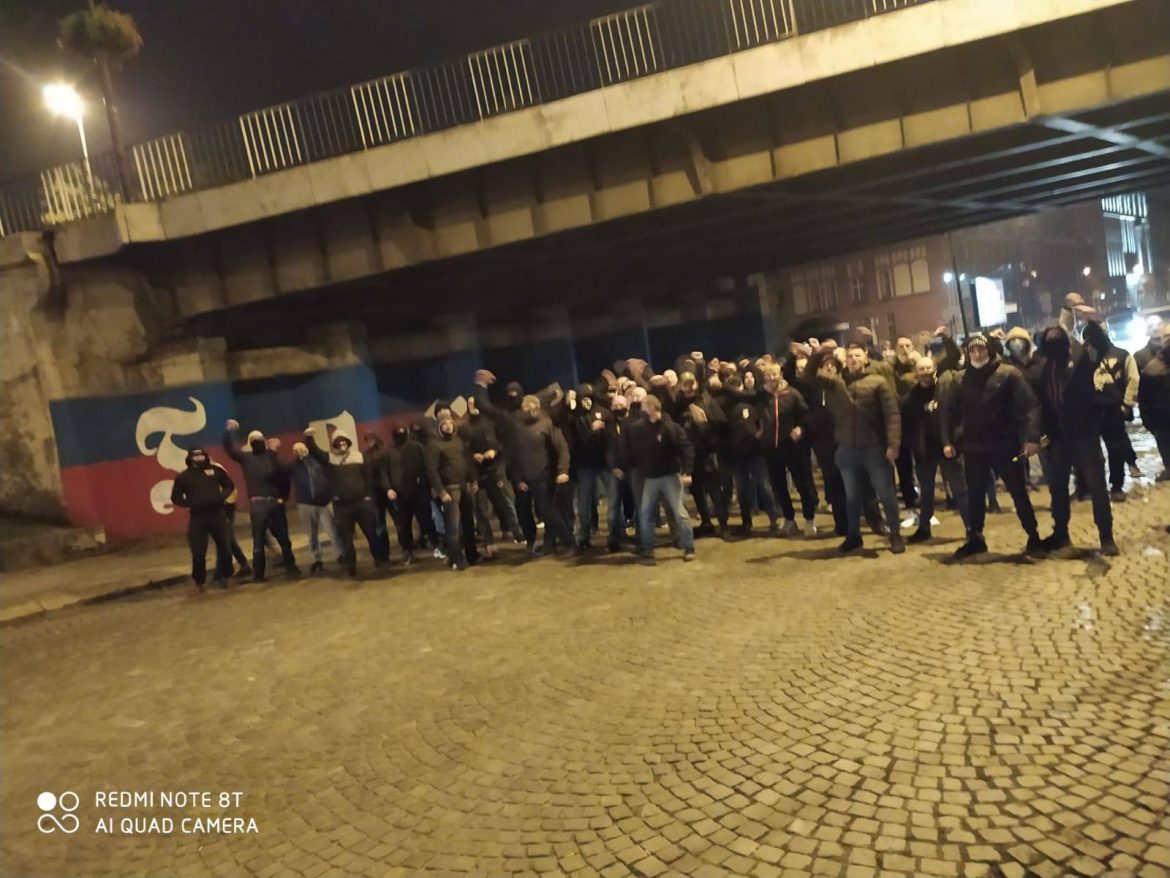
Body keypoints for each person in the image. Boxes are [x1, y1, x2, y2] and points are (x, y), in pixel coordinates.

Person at [940, 334, 1044, 560]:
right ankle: (976, 538)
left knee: (1018, 493)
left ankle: (1033, 536)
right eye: (973, 350)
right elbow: (947, 412)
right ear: (968, 353)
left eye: (981, 349)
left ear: (988, 350)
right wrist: (947, 441)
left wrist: (1032, 437)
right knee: (975, 495)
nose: (977, 354)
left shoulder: (1008, 374)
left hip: (1005, 445)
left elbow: (1031, 405)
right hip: (974, 447)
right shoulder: (960, 379)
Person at [1034, 323, 1117, 556]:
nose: (1053, 342)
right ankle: (1061, 533)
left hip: (1084, 435)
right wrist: (1042, 434)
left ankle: (1106, 536)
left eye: (1056, 338)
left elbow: (1100, 348)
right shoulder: (1044, 370)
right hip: (1058, 438)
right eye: (1048, 338)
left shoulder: (1082, 364)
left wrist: (1090, 325)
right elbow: (1041, 404)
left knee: (1096, 486)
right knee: (1058, 489)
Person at [821, 344, 904, 555]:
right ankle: (853, 536)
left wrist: (893, 444)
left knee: (886, 493)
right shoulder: (838, 384)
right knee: (852, 496)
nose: (854, 359)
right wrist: (823, 354)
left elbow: (892, 415)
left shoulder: (878, 382)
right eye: (850, 356)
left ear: (866, 359)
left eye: (858, 356)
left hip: (874, 448)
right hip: (847, 449)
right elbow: (813, 378)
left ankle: (895, 534)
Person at [616, 395, 696, 564]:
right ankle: (647, 552)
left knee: (679, 513)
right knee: (645, 514)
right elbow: (631, 451)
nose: (641, 409)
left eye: (644, 406)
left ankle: (689, 546)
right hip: (650, 477)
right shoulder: (639, 429)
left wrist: (687, 471)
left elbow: (686, 448)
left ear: (652, 407)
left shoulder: (670, 428)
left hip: (669, 476)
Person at [304, 427, 390, 578]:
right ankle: (351, 567)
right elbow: (315, 452)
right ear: (334, 444)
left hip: (362, 503)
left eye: (344, 441)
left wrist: (369, 496)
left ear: (348, 442)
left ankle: (380, 560)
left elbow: (368, 477)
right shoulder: (330, 459)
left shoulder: (358, 456)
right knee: (346, 539)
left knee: (372, 534)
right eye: (338, 442)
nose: (342, 444)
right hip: (342, 506)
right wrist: (309, 438)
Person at [222, 420, 299, 581]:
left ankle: (290, 566)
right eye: (254, 440)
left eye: (259, 439)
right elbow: (229, 449)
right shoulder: (247, 458)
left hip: (271, 502)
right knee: (259, 539)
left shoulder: (270, 456)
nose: (257, 442)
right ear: (251, 443)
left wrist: (282, 453)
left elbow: (286, 470)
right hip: (259, 503)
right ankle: (259, 574)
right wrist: (228, 432)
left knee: (283, 537)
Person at [902, 357, 969, 542]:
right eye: (921, 368)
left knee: (960, 490)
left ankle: (972, 529)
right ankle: (924, 529)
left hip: (948, 448)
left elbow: (960, 417)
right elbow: (907, 426)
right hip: (924, 452)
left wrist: (955, 440)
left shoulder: (947, 391)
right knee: (926, 492)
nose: (925, 372)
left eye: (928, 367)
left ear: (935, 368)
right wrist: (914, 445)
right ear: (916, 372)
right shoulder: (910, 398)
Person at [510, 394, 575, 555]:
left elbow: (562, 448)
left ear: (538, 407)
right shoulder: (517, 428)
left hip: (544, 477)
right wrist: (517, 478)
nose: (530, 409)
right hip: (525, 479)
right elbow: (513, 456)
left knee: (549, 512)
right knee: (525, 514)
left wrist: (563, 471)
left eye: (533, 406)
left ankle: (569, 543)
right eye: (526, 406)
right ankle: (543, 544)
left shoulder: (547, 424)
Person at [759, 364, 818, 537]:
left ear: (780, 374)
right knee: (779, 487)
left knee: (802, 484)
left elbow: (807, 415)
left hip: (792, 447)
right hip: (771, 448)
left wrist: (801, 428)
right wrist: (758, 428)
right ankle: (789, 520)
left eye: (774, 374)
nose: (771, 377)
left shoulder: (792, 394)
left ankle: (809, 520)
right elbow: (748, 406)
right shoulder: (761, 396)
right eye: (768, 374)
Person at [461, 395, 521, 558]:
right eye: (470, 404)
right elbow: (463, 451)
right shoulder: (465, 428)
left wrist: (494, 451)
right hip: (477, 473)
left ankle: (518, 533)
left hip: (496, 468)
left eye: (475, 403)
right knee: (481, 509)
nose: (473, 406)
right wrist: (473, 456)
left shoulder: (492, 424)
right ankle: (489, 542)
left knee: (506, 501)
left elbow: (504, 443)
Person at [170, 447, 235, 593]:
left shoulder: (216, 471)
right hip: (198, 518)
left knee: (225, 547)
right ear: (190, 458)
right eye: (196, 455)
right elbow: (176, 498)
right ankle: (199, 583)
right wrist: (191, 503)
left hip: (218, 514)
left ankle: (228, 576)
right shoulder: (183, 477)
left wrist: (221, 496)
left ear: (206, 456)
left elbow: (229, 485)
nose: (199, 458)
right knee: (198, 551)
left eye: (201, 455)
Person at [1089, 326, 1142, 501]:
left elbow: (1133, 379)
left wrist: (1127, 404)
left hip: (1112, 410)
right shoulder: (1086, 358)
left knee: (1115, 449)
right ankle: (1098, 487)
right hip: (1094, 411)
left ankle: (1116, 485)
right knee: (1093, 451)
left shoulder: (1121, 354)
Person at [426, 412, 480, 571]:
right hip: (450, 489)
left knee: (469, 524)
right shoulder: (434, 445)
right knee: (453, 527)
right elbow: (432, 471)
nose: (448, 425)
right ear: (439, 427)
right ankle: (457, 559)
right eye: (445, 424)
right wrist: (441, 491)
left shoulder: (459, 442)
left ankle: (472, 555)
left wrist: (473, 480)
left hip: (465, 487)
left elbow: (467, 462)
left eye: (450, 423)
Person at [565, 384, 613, 552]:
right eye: (582, 398)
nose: (586, 402)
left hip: (605, 464)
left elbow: (612, 436)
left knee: (614, 500)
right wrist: (568, 402)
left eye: (588, 398)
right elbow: (577, 438)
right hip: (584, 465)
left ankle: (616, 535)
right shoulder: (574, 416)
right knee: (584, 503)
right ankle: (583, 538)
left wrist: (604, 429)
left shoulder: (604, 412)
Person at [390, 425, 441, 563]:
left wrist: (431, 486)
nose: (400, 435)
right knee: (404, 525)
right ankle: (407, 551)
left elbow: (427, 467)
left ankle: (439, 547)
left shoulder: (416, 447)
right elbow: (386, 472)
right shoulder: (389, 452)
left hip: (419, 492)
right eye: (398, 433)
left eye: (402, 432)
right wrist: (389, 488)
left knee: (427, 521)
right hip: (400, 495)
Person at [290, 441, 342, 574]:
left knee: (332, 531)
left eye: (301, 449)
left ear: (307, 449)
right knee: (311, 534)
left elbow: (329, 473)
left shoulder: (318, 461)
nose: (299, 452)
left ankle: (340, 555)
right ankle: (317, 560)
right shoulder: (293, 466)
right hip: (305, 504)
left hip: (323, 502)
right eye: (296, 450)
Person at [891, 336, 920, 511]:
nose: (905, 349)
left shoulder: (921, 365)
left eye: (908, 345)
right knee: (903, 467)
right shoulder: (890, 369)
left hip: (919, 423)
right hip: (899, 423)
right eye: (900, 346)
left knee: (923, 465)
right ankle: (910, 503)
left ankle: (925, 502)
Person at [1139, 322, 1170, 478]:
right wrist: (1149, 420)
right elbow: (1144, 397)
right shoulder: (1153, 366)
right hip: (1162, 417)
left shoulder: (1153, 366)